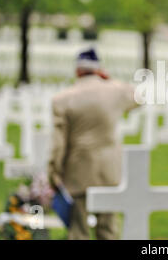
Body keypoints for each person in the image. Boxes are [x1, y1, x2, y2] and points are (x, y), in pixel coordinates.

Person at [48, 47, 138, 240]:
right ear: (98, 69)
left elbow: (58, 143)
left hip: (78, 170)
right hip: (109, 169)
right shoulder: (115, 91)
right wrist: (109, 79)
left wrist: (53, 172)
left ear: (77, 70)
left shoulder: (62, 99)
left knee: (79, 230)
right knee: (108, 229)